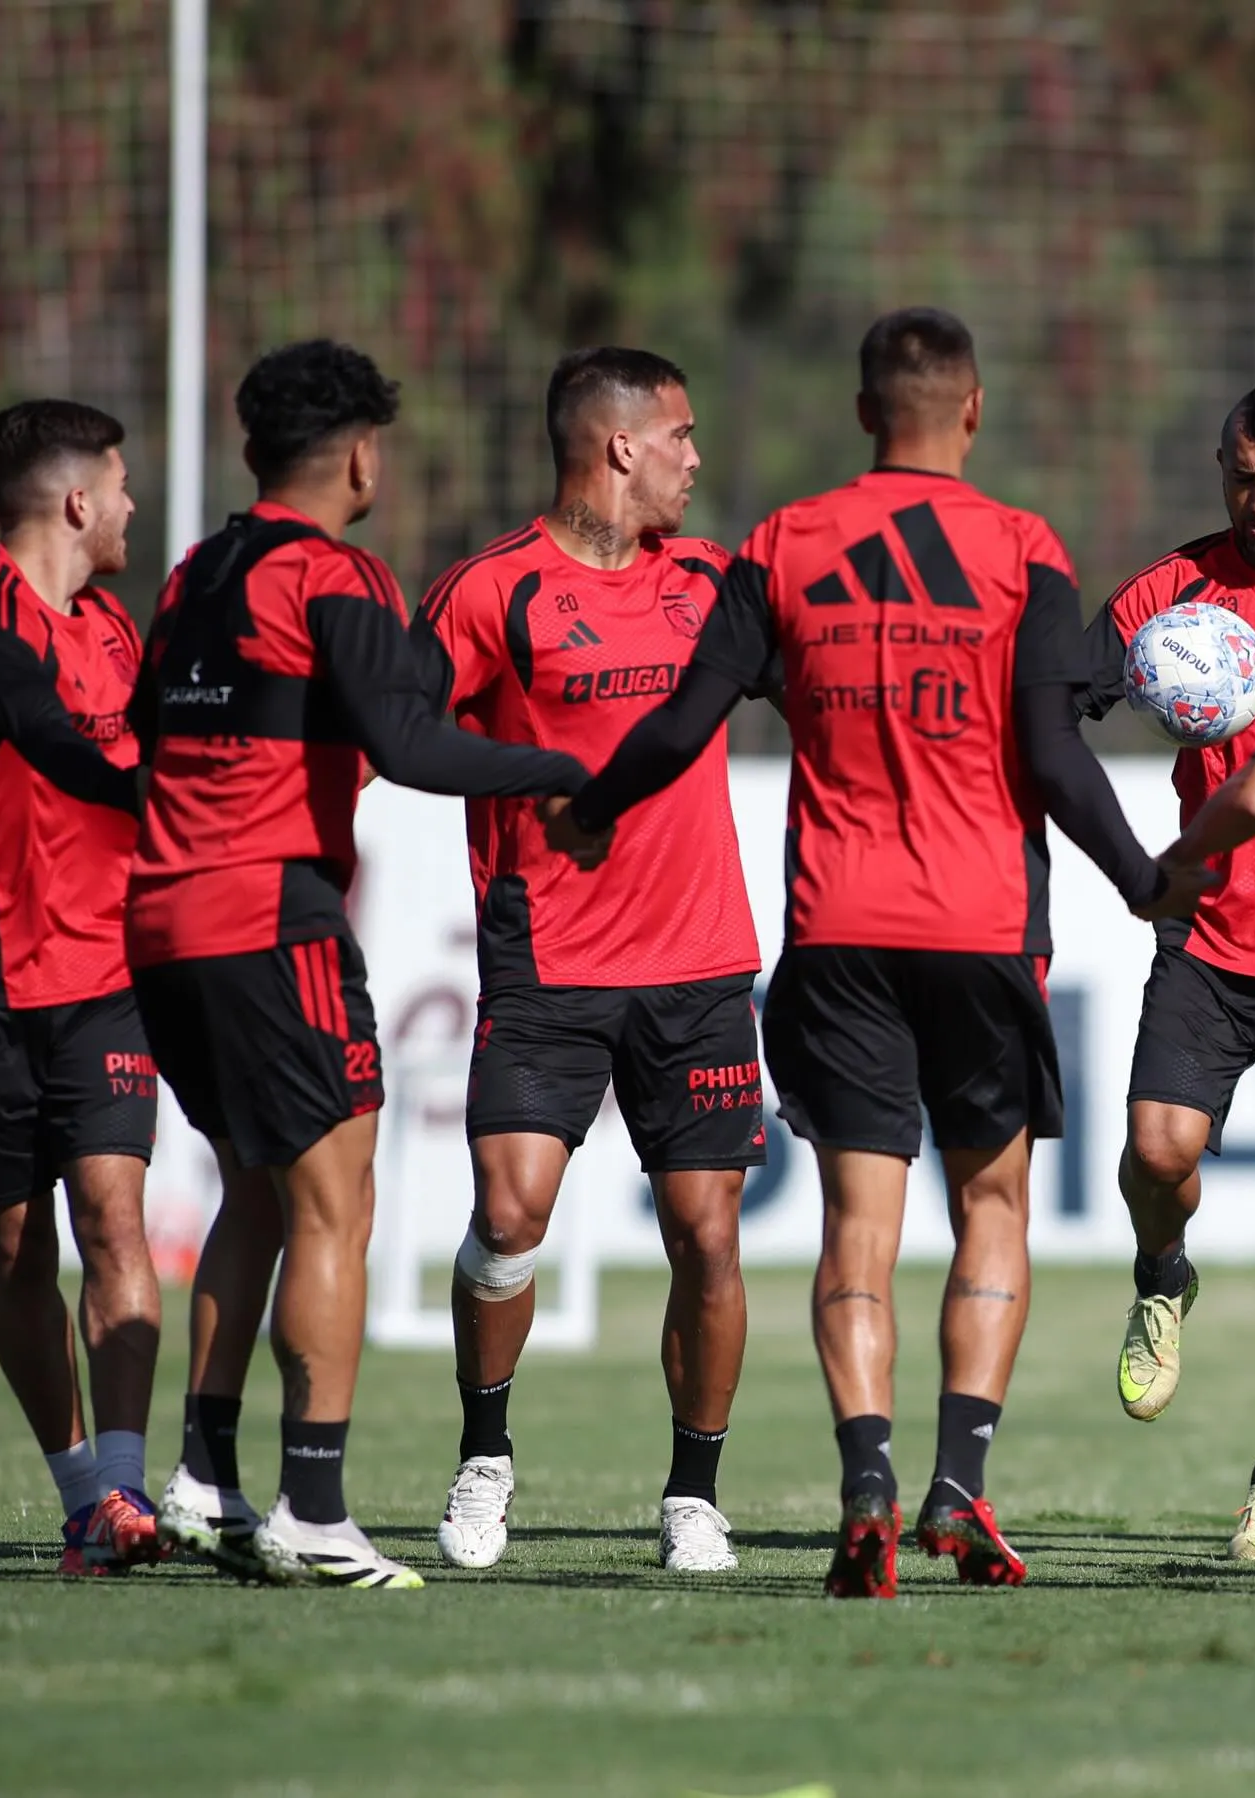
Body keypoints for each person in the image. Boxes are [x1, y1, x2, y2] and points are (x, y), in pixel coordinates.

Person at [553, 308, 1209, 1597]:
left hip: (839, 930)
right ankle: (958, 1485)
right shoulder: (1022, 549)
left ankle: (866, 1475)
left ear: (863, 414)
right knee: (992, 1207)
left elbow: (686, 719)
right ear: (971, 413)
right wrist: (1144, 882)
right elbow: (1057, 756)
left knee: (859, 1225)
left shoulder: (784, 545)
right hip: (980, 931)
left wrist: (591, 805)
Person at [131, 338, 592, 1591]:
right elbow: (416, 741)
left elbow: (155, 730)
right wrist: (553, 768)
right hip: (270, 918)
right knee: (338, 1202)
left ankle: (204, 1478)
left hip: (161, 921)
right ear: (358, 453)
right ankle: (314, 1508)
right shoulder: (334, 575)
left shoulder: (190, 575)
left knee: (258, 1196)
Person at [408, 347, 776, 1576]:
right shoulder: (488, 592)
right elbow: (403, 730)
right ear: (617, 447)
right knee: (508, 1218)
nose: (694, 458)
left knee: (707, 1238)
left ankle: (692, 1494)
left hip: (701, 964)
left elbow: (832, 679)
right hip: (548, 961)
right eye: (678, 434)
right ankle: (485, 1453)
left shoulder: (716, 584)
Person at [0, 400, 165, 1576]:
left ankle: (123, 1494)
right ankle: (73, 1494)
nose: (130, 505)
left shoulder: (115, 626)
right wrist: (162, 793)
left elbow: (167, 740)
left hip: (104, 972)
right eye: (118, 483)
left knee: (115, 1214)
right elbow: (44, 734)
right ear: (73, 502)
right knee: (18, 1251)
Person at [1078, 364, 1255, 1559]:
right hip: (1210, 940)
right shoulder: (1174, 589)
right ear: (1218, 470)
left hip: (1193, 882)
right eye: (1244, 476)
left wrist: (1163, 854)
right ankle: (1165, 1272)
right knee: (1158, 1150)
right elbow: (1070, 689)